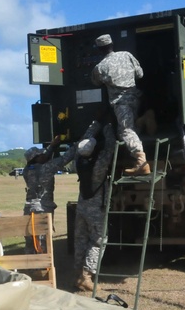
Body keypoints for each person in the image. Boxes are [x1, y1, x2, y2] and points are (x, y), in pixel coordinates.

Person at [91, 34, 150, 175]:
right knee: (127, 130)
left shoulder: (100, 67)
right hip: (135, 97)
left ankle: (141, 161)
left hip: (121, 104)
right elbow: (140, 74)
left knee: (126, 131)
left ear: (100, 50)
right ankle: (143, 120)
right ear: (112, 45)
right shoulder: (127, 55)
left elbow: (95, 82)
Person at [71, 122, 116, 292]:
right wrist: (106, 127)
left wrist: (93, 126)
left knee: (80, 240)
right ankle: (86, 275)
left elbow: (81, 143)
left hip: (82, 205)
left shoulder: (77, 162)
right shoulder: (99, 164)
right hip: (96, 208)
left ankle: (76, 275)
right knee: (98, 240)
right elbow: (110, 146)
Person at [22, 135, 78, 254]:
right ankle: (42, 269)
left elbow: (43, 158)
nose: (43, 155)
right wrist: (78, 144)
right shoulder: (47, 167)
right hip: (42, 208)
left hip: (29, 208)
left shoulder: (27, 170)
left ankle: (30, 266)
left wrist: (52, 146)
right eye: (40, 155)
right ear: (36, 158)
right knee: (42, 240)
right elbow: (65, 158)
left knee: (30, 239)